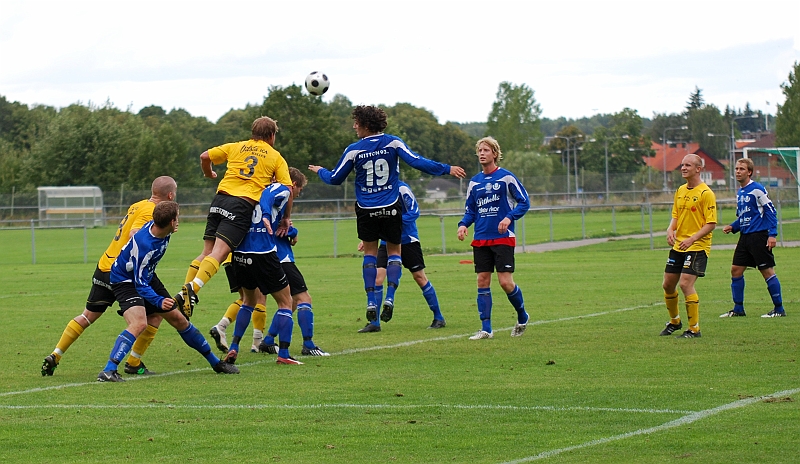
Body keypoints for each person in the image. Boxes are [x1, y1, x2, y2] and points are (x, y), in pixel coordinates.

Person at [309, 105, 465, 333]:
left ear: (366, 124)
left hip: (366, 209)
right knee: (394, 254)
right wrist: (446, 168)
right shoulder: (393, 143)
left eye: (356, 123)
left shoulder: (354, 150)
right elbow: (418, 161)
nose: (354, 126)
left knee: (370, 255)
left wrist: (321, 171)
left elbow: (334, 179)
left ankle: (373, 302)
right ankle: (387, 303)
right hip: (390, 208)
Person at [41, 176, 177, 377]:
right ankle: (133, 362)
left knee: (87, 316)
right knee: (154, 315)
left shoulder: (138, 205)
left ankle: (56, 354)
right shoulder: (151, 211)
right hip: (124, 272)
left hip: (104, 265)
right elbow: (134, 233)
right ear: (170, 195)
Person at [98, 201, 239, 381]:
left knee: (178, 318)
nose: (178, 221)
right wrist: (158, 301)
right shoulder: (146, 246)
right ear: (172, 222)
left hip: (146, 275)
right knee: (139, 323)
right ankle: (108, 370)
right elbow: (139, 283)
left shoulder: (161, 229)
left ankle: (215, 363)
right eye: (177, 218)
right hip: (126, 280)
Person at [175, 116, 292, 318]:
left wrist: (208, 173)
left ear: (253, 133)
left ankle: (185, 292)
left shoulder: (236, 146)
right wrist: (285, 217)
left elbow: (205, 157)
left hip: (219, 200)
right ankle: (192, 289)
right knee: (219, 254)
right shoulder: (275, 156)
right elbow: (287, 188)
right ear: (272, 136)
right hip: (241, 204)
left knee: (207, 251)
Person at [222, 170, 305, 366]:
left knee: (248, 302)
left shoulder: (247, 189)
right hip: (263, 254)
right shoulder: (279, 188)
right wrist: (269, 215)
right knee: (286, 302)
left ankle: (234, 346)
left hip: (240, 254)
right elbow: (272, 199)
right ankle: (283, 353)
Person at [457, 136, 530, 340]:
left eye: (486, 150)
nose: (482, 153)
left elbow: (524, 202)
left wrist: (509, 217)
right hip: (481, 237)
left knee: (506, 282)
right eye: (479, 150)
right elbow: (470, 210)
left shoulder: (506, 178)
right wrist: (463, 224)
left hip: (502, 238)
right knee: (482, 280)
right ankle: (486, 329)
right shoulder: (474, 182)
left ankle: (523, 316)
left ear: (495, 154)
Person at [358, 181, 446, 329]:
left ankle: (439, 317)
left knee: (419, 277)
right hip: (387, 242)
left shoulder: (402, 188)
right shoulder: (378, 191)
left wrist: (394, 224)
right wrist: (368, 239)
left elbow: (414, 211)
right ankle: (374, 323)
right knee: (377, 278)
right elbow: (376, 219)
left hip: (407, 240)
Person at [660, 154, 717, 338]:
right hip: (679, 245)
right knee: (668, 284)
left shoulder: (705, 193)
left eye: (688, 165)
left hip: (697, 246)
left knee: (685, 284)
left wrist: (692, 239)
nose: (683, 168)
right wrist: (670, 229)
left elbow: (711, 224)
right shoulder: (680, 190)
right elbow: (676, 215)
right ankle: (675, 321)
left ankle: (694, 329)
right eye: (682, 165)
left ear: (698, 169)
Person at [720, 157, 785, 318]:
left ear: (749, 172)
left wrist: (772, 234)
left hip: (758, 237)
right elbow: (743, 217)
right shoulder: (740, 192)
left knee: (767, 271)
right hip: (745, 237)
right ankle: (738, 309)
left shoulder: (757, 189)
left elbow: (771, 211)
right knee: (736, 270)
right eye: (736, 169)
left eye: (741, 169)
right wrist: (733, 226)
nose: (738, 171)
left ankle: (779, 309)